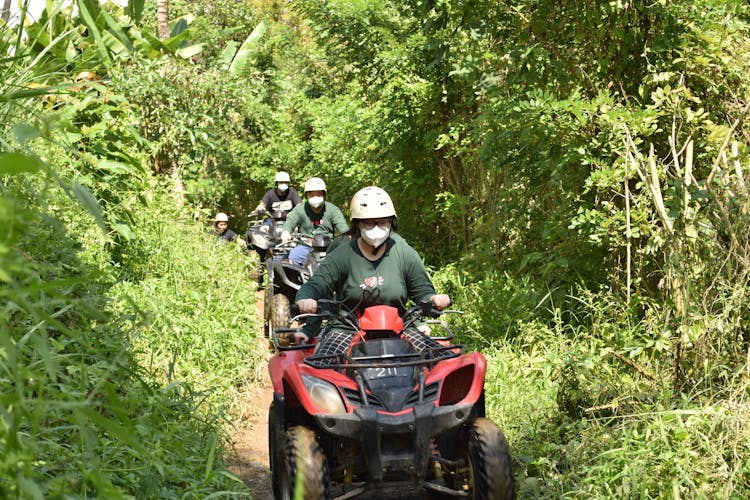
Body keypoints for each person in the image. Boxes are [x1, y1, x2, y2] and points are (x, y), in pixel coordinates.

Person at [293, 186, 451, 359]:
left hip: (399, 330)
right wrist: (305, 299)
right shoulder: (342, 255)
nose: (377, 228)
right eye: (369, 222)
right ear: (358, 224)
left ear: (391, 222)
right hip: (347, 330)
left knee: (444, 364)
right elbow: (316, 285)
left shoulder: (404, 252)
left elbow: (423, 292)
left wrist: (434, 299)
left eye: (383, 222)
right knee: (321, 371)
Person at [281, 177, 349, 266]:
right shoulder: (299, 210)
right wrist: (286, 232)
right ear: (306, 196)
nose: (315, 197)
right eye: (312, 195)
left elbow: (344, 229)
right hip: (306, 246)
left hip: (329, 247)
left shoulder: (333, 210)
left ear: (324, 195)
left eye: (319, 194)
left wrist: (349, 237)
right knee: (293, 258)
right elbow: (290, 222)